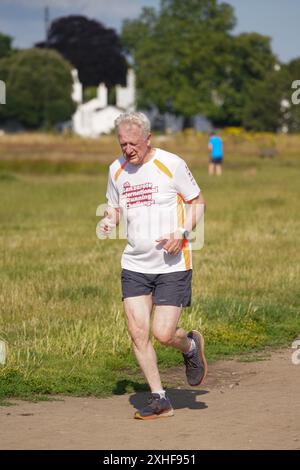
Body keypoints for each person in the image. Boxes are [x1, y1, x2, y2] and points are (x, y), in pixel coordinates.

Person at [99, 112, 207, 420]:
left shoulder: (171, 164)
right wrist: (109, 219)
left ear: (148, 139)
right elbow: (115, 206)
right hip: (134, 264)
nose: (128, 149)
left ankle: (189, 346)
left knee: (162, 333)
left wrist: (182, 233)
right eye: (123, 144)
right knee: (137, 332)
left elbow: (197, 201)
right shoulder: (116, 169)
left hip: (172, 265)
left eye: (133, 143)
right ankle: (160, 398)